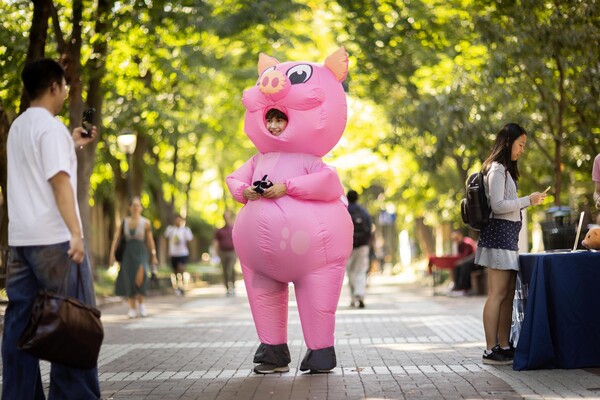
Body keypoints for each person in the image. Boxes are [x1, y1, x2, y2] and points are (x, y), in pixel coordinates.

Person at [226, 48, 352, 375]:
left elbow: (329, 183)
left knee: (317, 295)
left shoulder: (311, 160)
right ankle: (272, 348)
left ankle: (320, 349)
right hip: (259, 259)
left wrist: (289, 187)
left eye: (281, 118)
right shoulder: (258, 160)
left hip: (314, 255)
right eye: (271, 118)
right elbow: (234, 179)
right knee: (264, 294)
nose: (276, 124)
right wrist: (246, 190)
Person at [3, 58, 101, 399]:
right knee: (74, 327)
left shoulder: (19, 127)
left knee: (19, 326)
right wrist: (76, 233)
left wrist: (70, 143)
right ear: (54, 87)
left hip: (21, 243)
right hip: (56, 241)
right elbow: (59, 181)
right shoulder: (51, 129)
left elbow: (39, 166)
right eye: (64, 87)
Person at [475, 123, 546, 365]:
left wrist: (525, 201)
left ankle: (504, 345)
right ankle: (489, 348)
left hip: (506, 239)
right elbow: (498, 205)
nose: (522, 150)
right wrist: (528, 200)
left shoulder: (506, 170)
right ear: (508, 142)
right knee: (496, 294)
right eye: (520, 144)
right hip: (497, 238)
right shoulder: (497, 170)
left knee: (506, 295)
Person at [110, 196, 158, 318]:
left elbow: (150, 240)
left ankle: (141, 304)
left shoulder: (146, 222)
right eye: (134, 205)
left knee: (142, 276)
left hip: (141, 252)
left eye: (138, 205)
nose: (136, 207)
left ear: (141, 208)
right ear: (130, 207)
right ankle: (132, 308)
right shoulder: (124, 222)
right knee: (129, 278)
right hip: (128, 253)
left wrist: (154, 255)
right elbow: (116, 239)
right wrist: (112, 254)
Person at [345, 189, 372, 308]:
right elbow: (369, 229)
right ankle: (360, 294)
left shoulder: (344, 210)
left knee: (350, 271)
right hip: (362, 246)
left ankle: (352, 298)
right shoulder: (364, 212)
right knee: (360, 271)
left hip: (348, 246)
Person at [164, 213, 193, 296]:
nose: (178, 221)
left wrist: (189, 252)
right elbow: (165, 240)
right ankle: (178, 286)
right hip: (173, 253)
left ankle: (182, 285)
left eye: (179, 219)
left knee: (181, 268)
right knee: (175, 271)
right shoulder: (170, 230)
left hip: (183, 253)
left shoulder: (185, 230)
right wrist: (167, 251)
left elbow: (190, 241)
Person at [213, 210, 237, 296]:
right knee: (224, 270)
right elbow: (216, 242)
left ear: (230, 217)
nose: (226, 219)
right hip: (223, 252)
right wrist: (215, 254)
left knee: (230, 269)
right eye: (225, 217)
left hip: (232, 252)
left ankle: (233, 287)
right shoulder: (219, 231)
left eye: (228, 217)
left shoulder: (235, 228)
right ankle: (227, 288)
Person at [448, 230, 478, 296]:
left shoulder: (467, 242)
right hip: (466, 262)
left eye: (456, 237)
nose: (455, 240)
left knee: (464, 265)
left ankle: (465, 289)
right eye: (453, 239)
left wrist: (463, 261)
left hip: (475, 261)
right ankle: (457, 287)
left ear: (460, 236)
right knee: (456, 265)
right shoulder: (458, 244)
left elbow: (474, 255)